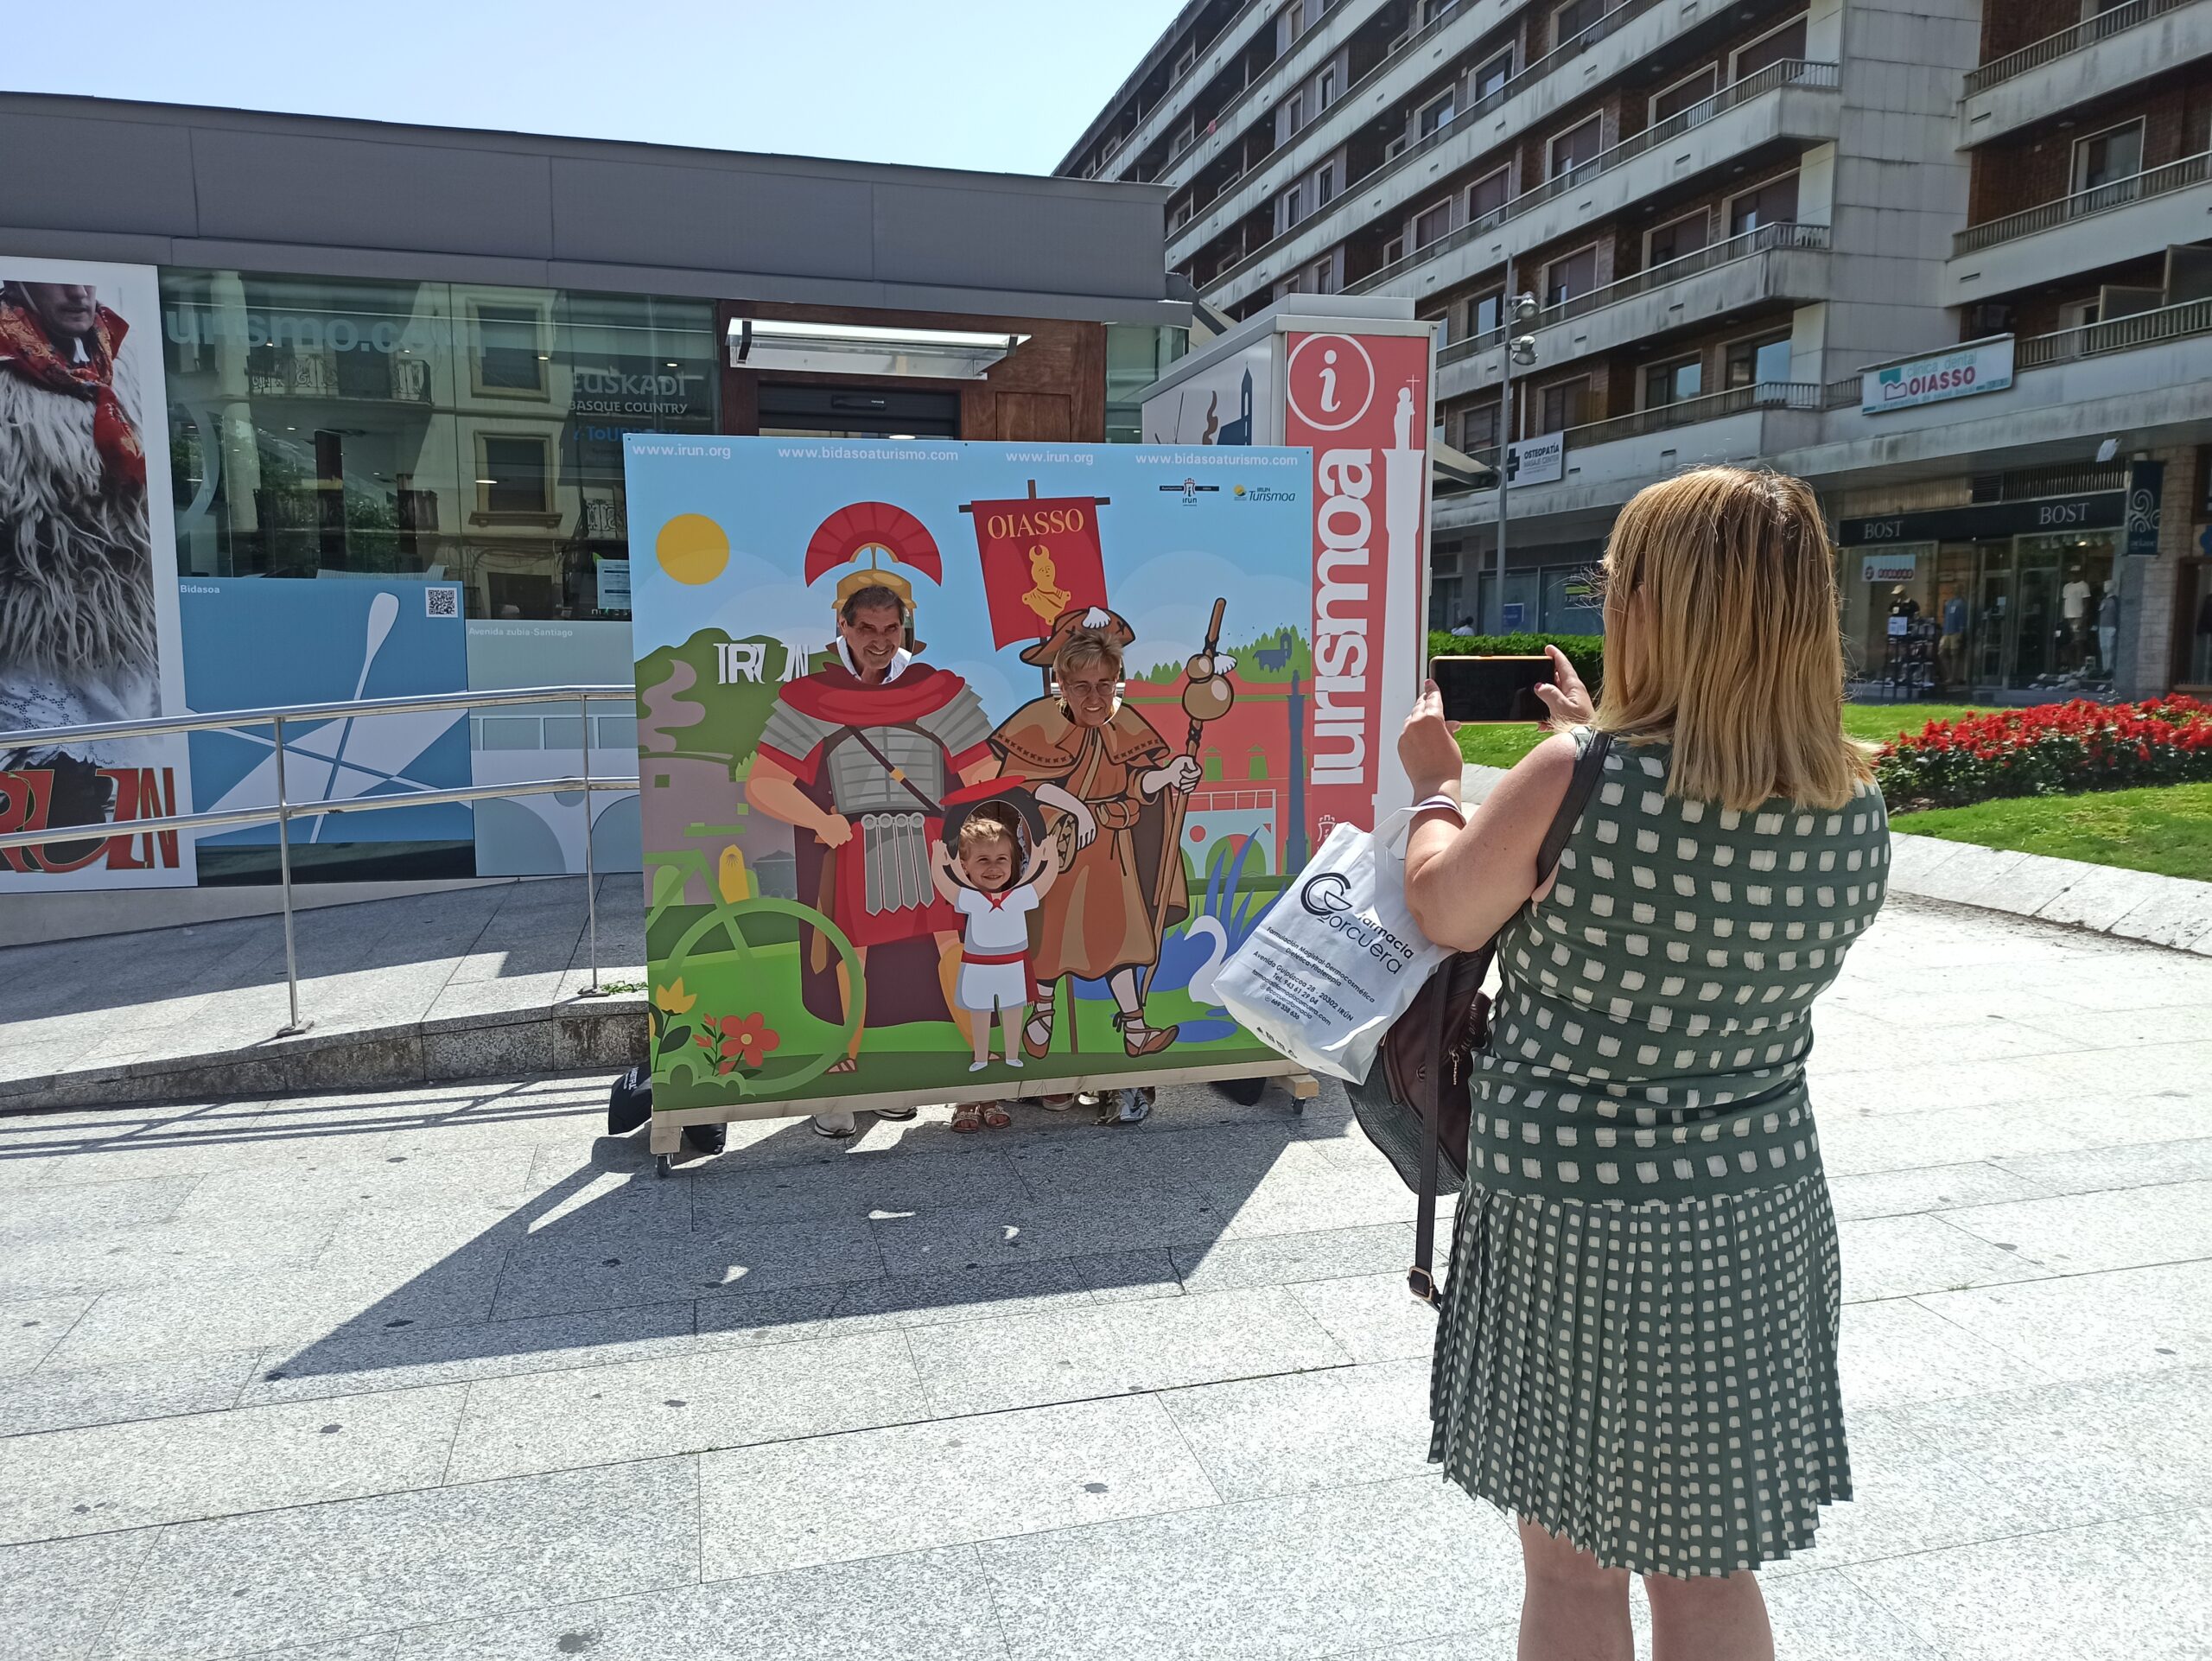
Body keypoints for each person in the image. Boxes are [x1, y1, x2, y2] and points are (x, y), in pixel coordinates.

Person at [1395, 465, 1888, 1661]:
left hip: (1572, 1211)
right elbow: (1697, 856)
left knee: (1572, 1568)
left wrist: (1438, 788)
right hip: (1754, 1211)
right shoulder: (1852, 800)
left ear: (1657, 605)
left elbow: (1446, 913)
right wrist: (1588, 743)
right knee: (1711, 1571)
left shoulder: (1576, 782)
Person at [748, 581, 996, 1138]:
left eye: (891, 628)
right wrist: (820, 821)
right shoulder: (812, 697)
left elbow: (981, 771)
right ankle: (846, 1063)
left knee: (952, 945)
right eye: (868, 628)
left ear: (905, 626)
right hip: (857, 844)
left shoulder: (941, 691)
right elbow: (764, 784)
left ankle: (977, 1053)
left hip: (932, 842)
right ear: (844, 626)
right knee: (851, 954)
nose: (880, 640)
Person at [986, 606, 1205, 1062]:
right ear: (1062, 685)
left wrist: (1169, 776)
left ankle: (1135, 1029)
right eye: (1083, 686)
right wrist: (1075, 808)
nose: (1095, 696)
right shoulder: (1039, 723)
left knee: (1120, 938)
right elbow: (1023, 784)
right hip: (1059, 852)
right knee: (1051, 938)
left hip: (1111, 853)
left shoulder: (1123, 724)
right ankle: (1042, 1014)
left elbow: (1136, 784)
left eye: (1105, 685)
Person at [0, 279, 157, 828]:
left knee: (132, 771)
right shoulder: (7, 373)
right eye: (56, 283)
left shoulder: (123, 360)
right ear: (20, 287)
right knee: (50, 782)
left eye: (85, 283)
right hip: (30, 632)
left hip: (126, 624)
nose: (77, 294)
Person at [929, 805, 1058, 1130]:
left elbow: (1044, 882)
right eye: (983, 860)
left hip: (1012, 967)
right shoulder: (969, 898)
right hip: (979, 967)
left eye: (1002, 859)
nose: (993, 867)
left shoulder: (1018, 896)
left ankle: (1006, 1067)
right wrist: (940, 861)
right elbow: (947, 885)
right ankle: (977, 1073)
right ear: (966, 867)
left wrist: (1047, 854)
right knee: (980, 1013)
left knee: (1013, 1010)